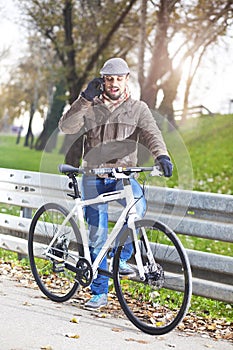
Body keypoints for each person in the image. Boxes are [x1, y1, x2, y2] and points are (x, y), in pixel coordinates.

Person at [59, 57, 173, 309]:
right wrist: (84, 99)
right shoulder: (91, 106)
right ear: (103, 81)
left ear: (126, 80)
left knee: (138, 209)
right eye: (109, 79)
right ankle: (99, 292)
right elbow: (66, 127)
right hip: (93, 177)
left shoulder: (138, 108)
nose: (113, 84)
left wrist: (162, 155)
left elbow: (153, 134)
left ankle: (119, 256)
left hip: (123, 176)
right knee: (97, 235)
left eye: (118, 79)